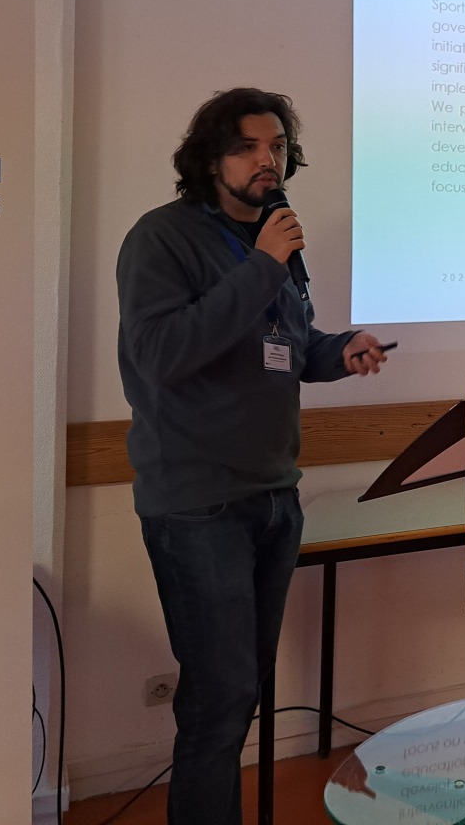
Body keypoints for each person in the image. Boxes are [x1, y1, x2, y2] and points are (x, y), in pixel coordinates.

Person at [117, 87, 388, 824]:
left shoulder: (275, 240)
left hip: (273, 496)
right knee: (219, 698)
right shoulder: (163, 239)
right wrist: (265, 265)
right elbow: (162, 354)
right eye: (247, 147)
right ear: (211, 160)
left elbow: (282, 346)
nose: (267, 160)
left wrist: (339, 351)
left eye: (277, 147)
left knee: (243, 691)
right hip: (198, 504)